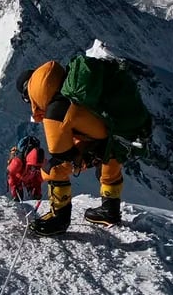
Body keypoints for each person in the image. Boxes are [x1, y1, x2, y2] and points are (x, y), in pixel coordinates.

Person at [15, 62, 124, 236]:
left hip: (99, 141)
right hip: (119, 134)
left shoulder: (55, 111)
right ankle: (110, 210)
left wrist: (46, 173)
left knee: (53, 168)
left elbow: (62, 155)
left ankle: (58, 220)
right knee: (110, 156)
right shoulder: (71, 90)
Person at [6, 136, 43, 201]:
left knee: (34, 194)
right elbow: (11, 175)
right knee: (19, 195)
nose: (35, 169)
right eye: (34, 167)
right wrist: (15, 192)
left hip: (27, 177)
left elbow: (38, 180)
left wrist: (37, 192)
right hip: (18, 178)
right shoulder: (17, 162)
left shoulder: (39, 163)